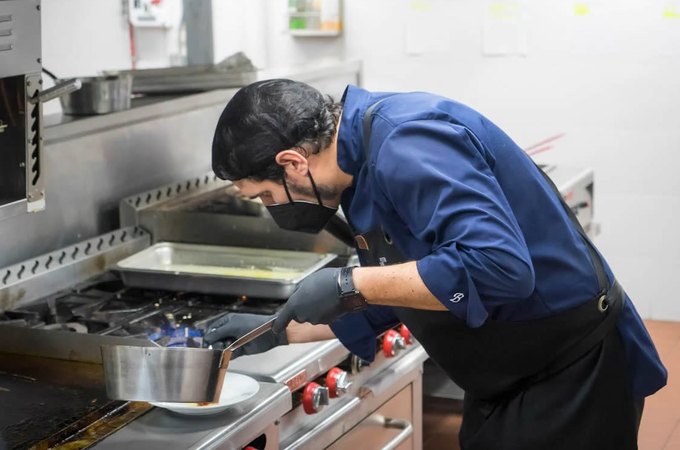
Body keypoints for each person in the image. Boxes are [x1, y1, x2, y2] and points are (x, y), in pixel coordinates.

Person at [206, 79, 667, 449]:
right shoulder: (360, 164)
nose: (272, 206)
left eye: (265, 195)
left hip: (570, 373)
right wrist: (280, 329)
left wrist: (350, 282)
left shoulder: (407, 140)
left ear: (292, 162)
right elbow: (408, 281)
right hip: (509, 375)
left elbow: (499, 267)